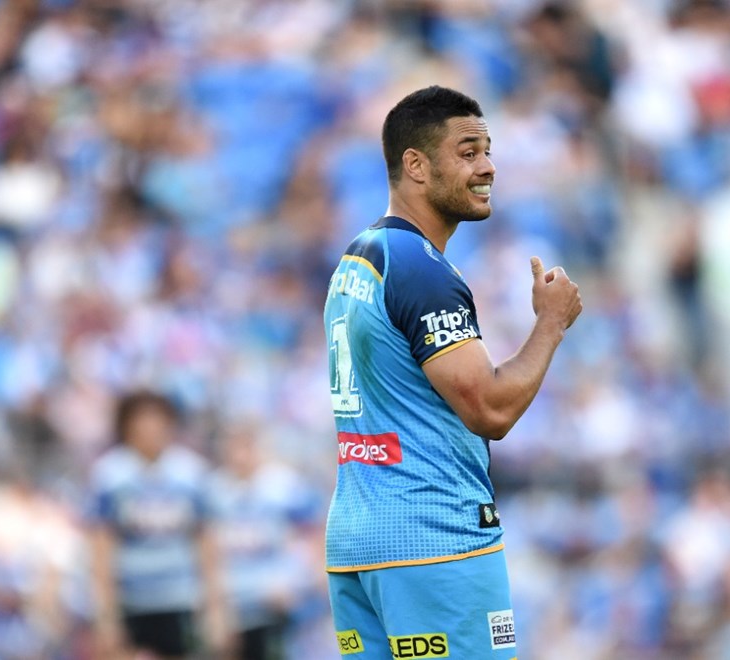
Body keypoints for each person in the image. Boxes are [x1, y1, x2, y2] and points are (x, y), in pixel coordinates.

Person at [323, 86, 582, 659]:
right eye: (468, 153)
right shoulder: (420, 269)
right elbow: (490, 408)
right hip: (434, 539)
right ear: (416, 165)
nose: (487, 167)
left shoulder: (360, 257)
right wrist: (551, 323)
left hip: (359, 541)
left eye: (487, 151)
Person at [87, 390, 229, 660]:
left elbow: (205, 541)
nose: (150, 428)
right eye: (141, 420)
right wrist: (106, 613)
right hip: (131, 600)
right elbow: (102, 546)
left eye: (157, 420)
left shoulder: (190, 472)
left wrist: (215, 606)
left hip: (180, 597)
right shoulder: (110, 475)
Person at [206, 423, 324, 660]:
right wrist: (216, 606)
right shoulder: (214, 490)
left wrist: (302, 580)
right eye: (233, 448)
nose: (240, 456)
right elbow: (208, 550)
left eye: (246, 447)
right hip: (236, 601)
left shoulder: (283, 485)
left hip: (280, 599)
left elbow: (313, 530)